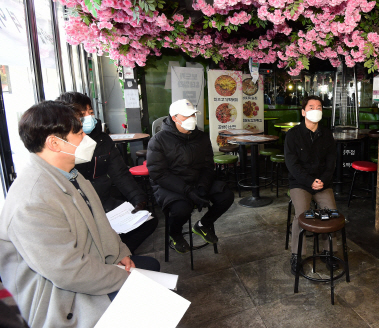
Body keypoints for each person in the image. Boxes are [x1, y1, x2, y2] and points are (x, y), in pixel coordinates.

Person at [0, 101, 159, 328]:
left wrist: (119, 253)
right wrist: (124, 278)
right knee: (150, 298)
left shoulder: (70, 173)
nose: (87, 139)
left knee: (151, 271)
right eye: (79, 133)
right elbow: (68, 272)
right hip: (58, 299)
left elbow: (100, 223)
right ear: (54, 143)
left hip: (88, 266)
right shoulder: (32, 201)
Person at [57, 91, 158, 254]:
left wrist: (138, 198)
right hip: (80, 209)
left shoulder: (103, 140)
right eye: (81, 115)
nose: (89, 118)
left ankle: (117, 256)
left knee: (148, 222)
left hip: (104, 201)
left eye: (90, 112)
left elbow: (120, 173)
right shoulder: (61, 146)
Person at [147, 99, 234, 253]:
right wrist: (188, 191)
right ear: (174, 118)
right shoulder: (158, 140)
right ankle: (175, 234)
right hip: (170, 184)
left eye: (193, 114)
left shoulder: (201, 137)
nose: (192, 119)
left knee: (226, 195)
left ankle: (203, 225)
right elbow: (158, 173)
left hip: (197, 181)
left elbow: (208, 166)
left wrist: (202, 187)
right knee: (182, 208)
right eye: (186, 116)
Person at [285, 95, 338, 274]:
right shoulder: (292, 135)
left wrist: (322, 180)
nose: (315, 110)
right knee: (301, 215)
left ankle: (329, 252)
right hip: (300, 182)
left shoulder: (327, 134)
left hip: (323, 182)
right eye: (311, 107)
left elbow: (331, 162)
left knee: (331, 213)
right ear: (303, 111)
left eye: (319, 107)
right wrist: (309, 181)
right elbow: (292, 165)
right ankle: (296, 255)